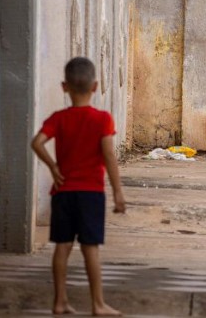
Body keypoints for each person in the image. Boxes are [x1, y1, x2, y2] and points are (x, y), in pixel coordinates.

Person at [30, 57, 126, 317]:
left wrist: (52, 166)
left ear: (65, 87)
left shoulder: (59, 119)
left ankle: (60, 301)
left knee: (62, 247)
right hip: (90, 194)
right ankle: (98, 304)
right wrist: (117, 191)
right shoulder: (102, 119)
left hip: (63, 193)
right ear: (95, 87)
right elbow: (108, 155)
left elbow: (37, 142)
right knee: (90, 249)